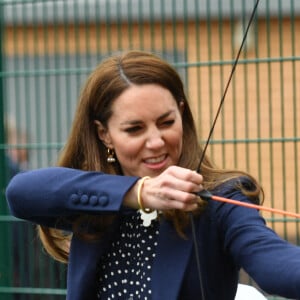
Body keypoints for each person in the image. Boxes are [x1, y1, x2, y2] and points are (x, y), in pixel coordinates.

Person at [5, 51, 300, 300]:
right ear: (104, 134)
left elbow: (271, 261)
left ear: (182, 114)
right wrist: (140, 193)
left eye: (166, 122)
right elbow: (21, 193)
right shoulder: (98, 198)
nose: (156, 141)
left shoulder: (221, 197)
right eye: (135, 129)